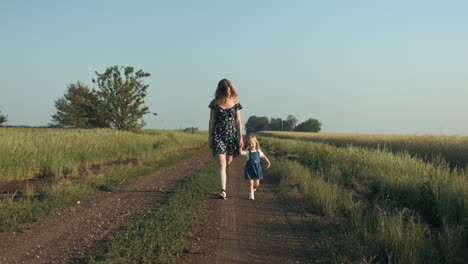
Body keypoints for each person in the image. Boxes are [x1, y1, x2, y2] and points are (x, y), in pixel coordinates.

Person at [208, 79, 244, 200]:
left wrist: (240, 137)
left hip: (231, 136)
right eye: (226, 91)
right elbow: (211, 121)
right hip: (218, 135)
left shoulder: (235, 102)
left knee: (228, 163)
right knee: (222, 163)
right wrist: (210, 137)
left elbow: (238, 121)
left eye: (230, 91)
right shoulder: (215, 103)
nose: (228, 93)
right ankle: (223, 191)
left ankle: (225, 186)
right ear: (221, 91)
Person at [240, 134, 271, 200]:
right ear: (248, 144)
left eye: (253, 143)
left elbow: (263, 157)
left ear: (256, 143)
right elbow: (241, 153)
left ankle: (253, 190)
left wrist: (268, 162)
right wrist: (240, 147)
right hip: (249, 169)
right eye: (249, 144)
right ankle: (251, 195)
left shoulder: (258, 151)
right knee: (251, 183)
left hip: (257, 169)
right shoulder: (247, 152)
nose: (251, 145)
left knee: (257, 184)